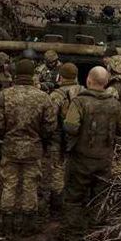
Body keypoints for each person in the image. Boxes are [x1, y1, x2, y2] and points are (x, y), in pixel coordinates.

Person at [58, 66, 121, 241]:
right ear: (105, 83)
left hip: (80, 161)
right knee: (99, 198)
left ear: (89, 81)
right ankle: (95, 240)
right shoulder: (115, 104)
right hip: (104, 161)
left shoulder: (80, 102)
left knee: (74, 199)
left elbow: (71, 127)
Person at [0, 59, 56, 236]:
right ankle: (28, 225)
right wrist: (40, 139)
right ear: (32, 74)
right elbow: (50, 126)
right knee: (30, 184)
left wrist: (6, 137)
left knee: (9, 184)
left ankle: (7, 224)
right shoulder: (42, 97)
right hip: (33, 148)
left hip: (10, 147)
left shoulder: (5, 95)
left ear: (16, 74)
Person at [46, 63, 83, 215]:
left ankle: (56, 207)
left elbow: (49, 119)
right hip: (78, 139)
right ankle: (75, 204)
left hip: (58, 139)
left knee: (57, 171)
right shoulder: (84, 92)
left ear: (60, 76)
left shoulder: (56, 95)